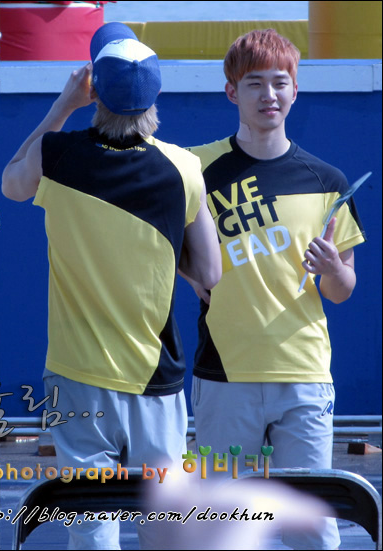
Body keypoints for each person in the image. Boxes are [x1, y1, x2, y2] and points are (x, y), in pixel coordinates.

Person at [2, 22, 221, 549]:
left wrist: (63, 106)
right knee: (165, 529)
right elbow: (211, 274)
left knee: (91, 528)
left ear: (94, 90)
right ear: (156, 95)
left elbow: (10, 183)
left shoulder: (55, 155)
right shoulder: (184, 168)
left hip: (76, 373)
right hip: (154, 376)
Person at [185, 29, 366, 550]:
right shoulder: (194, 170)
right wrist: (189, 272)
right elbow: (160, 240)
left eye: (279, 83)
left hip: (303, 376)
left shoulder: (327, 182)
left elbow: (342, 289)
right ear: (231, 92)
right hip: (224, 375)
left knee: (312, 529)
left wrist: (332, 268)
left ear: (295, 90)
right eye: (254, 83)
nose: (269, 95)